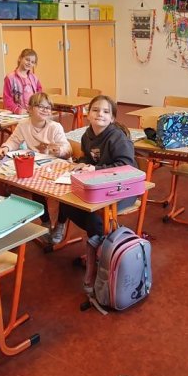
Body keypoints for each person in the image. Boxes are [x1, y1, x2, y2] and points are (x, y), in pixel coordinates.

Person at [56, 96, 137, 291]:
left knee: (94, 212)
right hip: (99, 186)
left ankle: (102, 251)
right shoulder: (87, 135)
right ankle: (102, 240)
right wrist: (82, 163)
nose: (100, 114)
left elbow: (126, 166)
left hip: (124, 188)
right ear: (88, 114)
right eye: (95, 110)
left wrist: (96, 169)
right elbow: (88, 157)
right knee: (67, 200)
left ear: (112, 118)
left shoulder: (117, 137)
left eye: (106, 111)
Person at [0, 92, 72, 244]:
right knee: (33, 186)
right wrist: (6, 147)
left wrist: (59, 150)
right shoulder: (24, 125)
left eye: (48, 107)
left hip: (59, 165)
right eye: (40, 106)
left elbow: (66, 148)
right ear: (30, 108)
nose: (45, 110)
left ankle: (61, 223)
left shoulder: (54, 127)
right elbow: (14, 140)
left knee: (65, 194)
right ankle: (45, 221)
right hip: (39, 165)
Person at [3, 49, 43, 114]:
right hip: (17, 113)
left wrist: (36, 107)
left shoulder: (34, 78)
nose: (29, 63)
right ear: (20, 58)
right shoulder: (10, 78)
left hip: (32, 112)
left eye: (32, 62)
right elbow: (7, 99)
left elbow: (40, 94)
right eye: (27, 60)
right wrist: (17, 110)